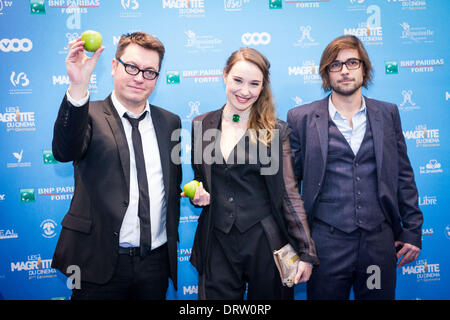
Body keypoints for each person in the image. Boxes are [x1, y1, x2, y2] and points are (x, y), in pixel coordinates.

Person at [287, 35, 423, 300]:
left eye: (352, 62)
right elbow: (290, 186)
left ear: (364, 68)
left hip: (378, 242)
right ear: (326, 73)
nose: (345, 70)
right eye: (336, 65)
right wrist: (297, 242)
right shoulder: (300, 118)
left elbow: (403, 176)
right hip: (326, 243)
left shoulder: (388, 113)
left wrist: (413, 229)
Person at [51, 32, 182, 300]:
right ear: (113, 66)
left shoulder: (170, 122)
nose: (139, 77)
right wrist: (78, 87)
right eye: (131, 67)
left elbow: (169, 185)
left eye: (149, 72)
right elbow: (64, 151)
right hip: (96, 262)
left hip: (154, 263)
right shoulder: (87, 114)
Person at [184, 48, 319, 300]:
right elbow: (201, 179)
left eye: (254, 84)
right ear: (224, 75)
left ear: (262, 86)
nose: (245, 91)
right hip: (216, 241)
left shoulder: (276, 131)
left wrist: (306, 252)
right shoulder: (201, 124)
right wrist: (198, 195)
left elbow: (290, 194)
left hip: (267, 241)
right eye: (237, 80)